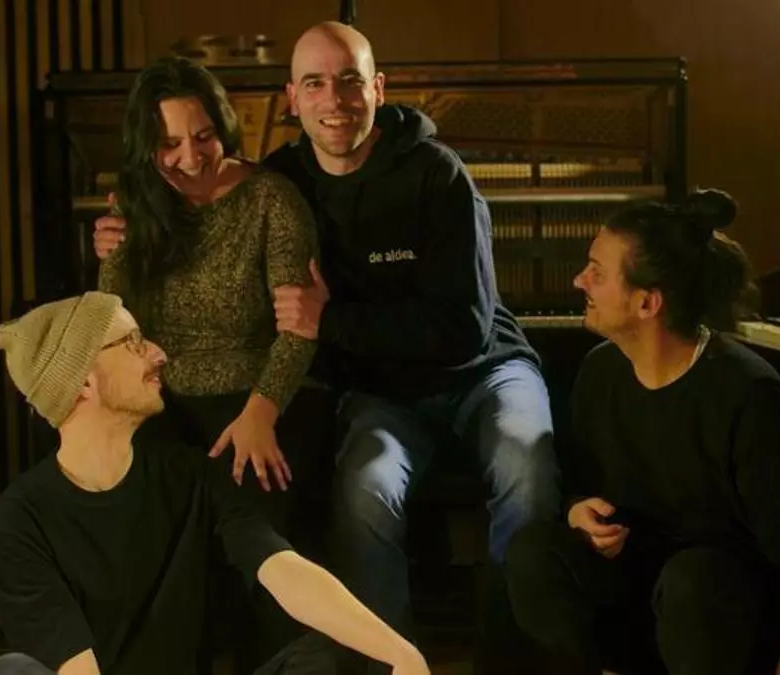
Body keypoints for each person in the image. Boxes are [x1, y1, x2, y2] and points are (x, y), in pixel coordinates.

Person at [96, 24, 560, 671]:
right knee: (365, 493)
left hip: (485, 371)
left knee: (526, 473)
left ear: (378, 89)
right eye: (314, 83)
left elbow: (465, 329)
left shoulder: (435, 173)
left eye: (349, 82)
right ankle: (386, 666)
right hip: (381, 388)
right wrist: (120, 234)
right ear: (292, 98)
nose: (333, 101)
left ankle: (515, 663)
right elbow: (204, 218)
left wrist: (328, 324)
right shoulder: (284, 177)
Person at [503, 190, 780, 675]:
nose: (579, 280)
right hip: (644, 600)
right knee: (534, 553)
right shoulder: (601, 372)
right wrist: (579, 511)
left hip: (721, 616)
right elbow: (581, 481)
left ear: (647, 302)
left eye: (597, 272)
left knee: (694, 580)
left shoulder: (747, 393)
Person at [0, 292, 430, 675]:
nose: (158, 353)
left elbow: (282, 568)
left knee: (331, 651)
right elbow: (76, 668)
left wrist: (400, 654)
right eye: (132, 342)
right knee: (14, 671)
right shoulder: (19, 522)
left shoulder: (190, 474)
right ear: (82, 382)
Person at [93, 56, 335, 668]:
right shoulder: (136, 201)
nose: (190, 157)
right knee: (139, 501)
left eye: (202, 136)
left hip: (257, 390)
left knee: (247, 501)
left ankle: (280, 663)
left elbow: (299, 330)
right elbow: (113, 322)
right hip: (162, 397)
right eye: (169, 144)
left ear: (223, 126)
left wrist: (260, 412)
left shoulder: (272, 199)